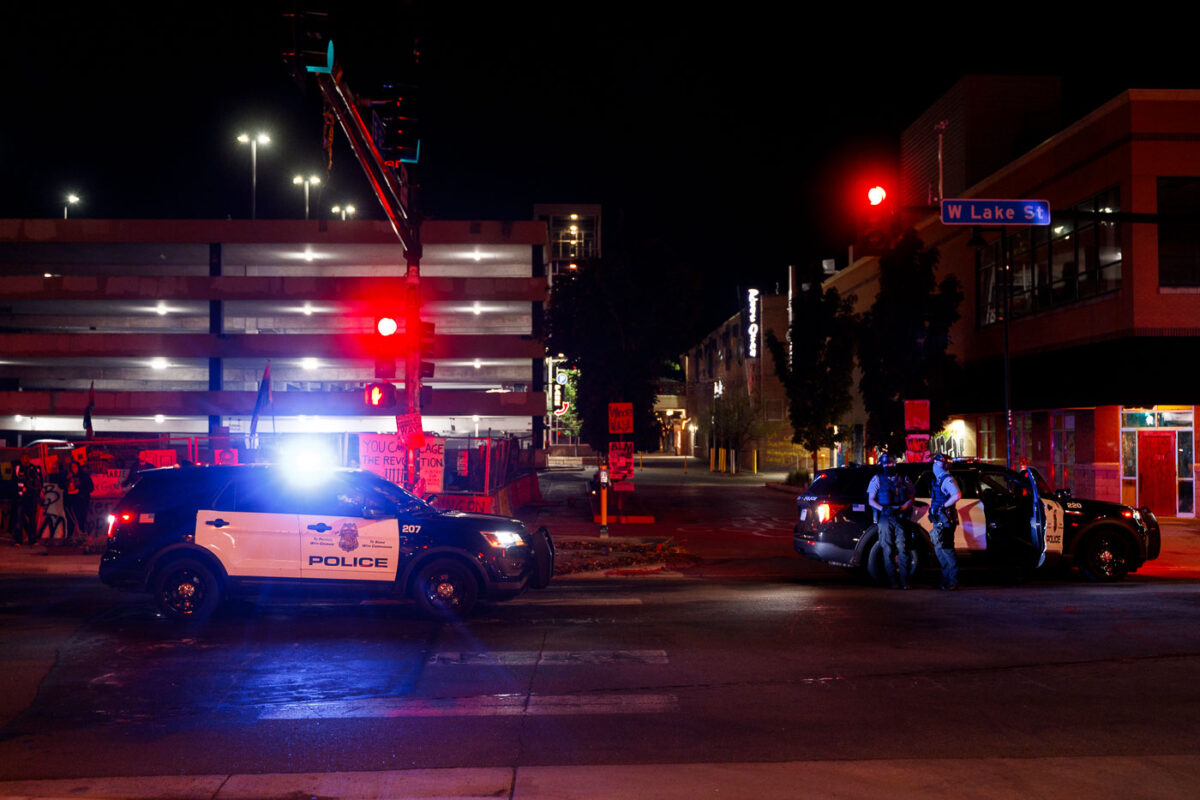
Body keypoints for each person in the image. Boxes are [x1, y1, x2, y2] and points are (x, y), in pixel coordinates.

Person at [867, 452, 914, 589]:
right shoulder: (877, 479)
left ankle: (905, 582)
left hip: (901, 516)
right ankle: (893, 582)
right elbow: (871, 499)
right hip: (886, 517)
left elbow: (912, 497)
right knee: (888, 550)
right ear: (882, 464)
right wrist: (883, 509)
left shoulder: (904, 478)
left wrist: (904, 507)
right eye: (886, 463)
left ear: (895, 463)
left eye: (891, 463)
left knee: (903, 549)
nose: (888, 465)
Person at [927, 453, 962, 590]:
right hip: (939, 519)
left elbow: (957, 495)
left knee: (947, 549)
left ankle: (953, 581)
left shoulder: (947, 479)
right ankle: (945, 579)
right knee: (939, 548)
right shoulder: (939, 479)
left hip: (946, 519)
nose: (935, 465)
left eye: (938, 463)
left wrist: (943, 506)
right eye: (935, 462)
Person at [13, 451, 43, 546]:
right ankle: (19, 540)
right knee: (19, 519)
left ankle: (32, 539)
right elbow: (16, 481)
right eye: (21, 458)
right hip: (21, 498)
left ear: (28, 459)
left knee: (32, 519)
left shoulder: (34, 469)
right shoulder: (18, 468)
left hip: (32, 497)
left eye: (24, 458)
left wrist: (37, 493)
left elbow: (39, 482)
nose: (22, 460)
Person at [65, 461, 94, 542]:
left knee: (81, 518)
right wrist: (67, 479)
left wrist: (80, 490)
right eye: (72, 467)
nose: (73, 469)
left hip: (81, 500)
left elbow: (91, 488)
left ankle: (82, 534)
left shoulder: (84, 477)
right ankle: (70, 536)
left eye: (75, 467)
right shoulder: (69, 477)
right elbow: (62, 486)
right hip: (70, 501)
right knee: (70, 519)